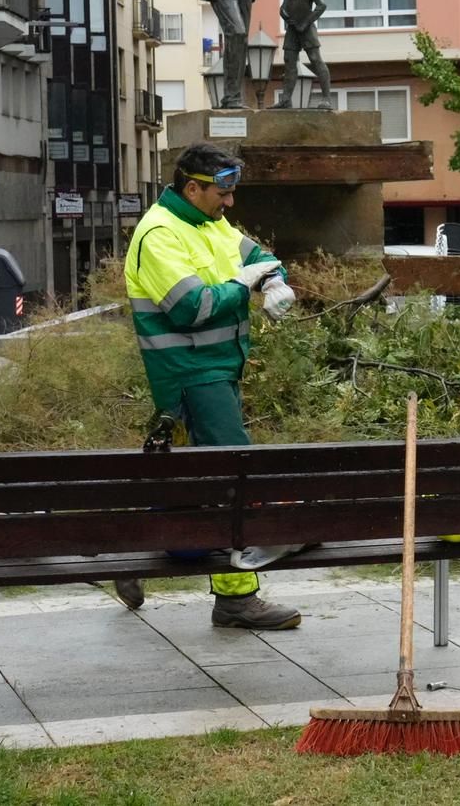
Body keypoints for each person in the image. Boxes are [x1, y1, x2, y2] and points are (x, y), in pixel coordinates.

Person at [118, 144, 301, 629]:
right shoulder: (158, 234)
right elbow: (190, 308)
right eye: (222, 193)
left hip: (218, 369)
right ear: (192, 187)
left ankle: (134, 550)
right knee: (231, 474)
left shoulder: (209, 224)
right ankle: (236, 598)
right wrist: (244, 284)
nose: (230, 204)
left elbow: (259, 256)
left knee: (200, 480)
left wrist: (273, 281)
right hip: (189, 374)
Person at [276, 0, 332, 109]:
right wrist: (284, 14)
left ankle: (326, 98)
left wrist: (305, 23)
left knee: (315, 59)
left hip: (305, 28)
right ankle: (286, 99)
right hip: (293, 29)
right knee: (289, 62)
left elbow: (321, 5)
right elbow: (286, 6)